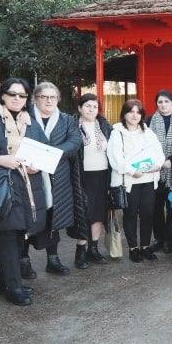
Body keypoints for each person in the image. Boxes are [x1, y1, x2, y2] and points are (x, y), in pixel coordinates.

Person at [0, 78, 48, 307]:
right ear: (2, 95)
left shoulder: (31, 122)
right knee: (6, 236)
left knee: (18, 235)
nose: (17, 99)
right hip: (2, 186)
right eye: (12, 94)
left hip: (28, 187)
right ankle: (13, 287)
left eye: (22, 96)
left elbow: (43, 149)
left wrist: (38, 164)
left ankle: (5, 284)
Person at [23, 82, 86, 274]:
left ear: (58, 99)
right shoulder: (25, 117)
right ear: (35, 99)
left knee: (54, 217)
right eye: (44, 97)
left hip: (59, 177)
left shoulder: (67, 120)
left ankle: (53, 259)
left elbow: (75, 141)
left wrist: (50, 154)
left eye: (53, 97)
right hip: (30, 176)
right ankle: (23, 262)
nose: (49, 101)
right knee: (28, 219)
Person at [107, 99, 165, 263]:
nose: (134, 115)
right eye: (130, 111)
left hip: (149, 179)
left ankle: (145, 246)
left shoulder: (148, 132)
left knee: (148, 214)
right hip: (130, 181)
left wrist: (157, 165)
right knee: (131, 215)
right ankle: (133, 248)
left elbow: (159, 153)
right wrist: (133, 171)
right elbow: (115, 159)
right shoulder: (117, 133)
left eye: (138, 112)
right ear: (124, 114)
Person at [148, 89, 172, 253]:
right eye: (160, 102)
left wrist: (171, 161)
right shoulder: (149, 121)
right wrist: (158, 162)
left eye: (166, 101)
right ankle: (159, 238)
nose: (163, 105)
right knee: (156, 208)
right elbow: (145, 147)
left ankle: (170, 238)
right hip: (154, 171)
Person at [76, 93, 111, 265]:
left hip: (102, 175)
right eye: (88, 106)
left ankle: (94, 248)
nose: (91, 109)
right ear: (80, 108)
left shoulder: (104, 125)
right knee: (83, 212)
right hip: (82, 176)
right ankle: (80, 249)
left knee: (98, 212)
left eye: (95, 106)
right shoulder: (73, 126)